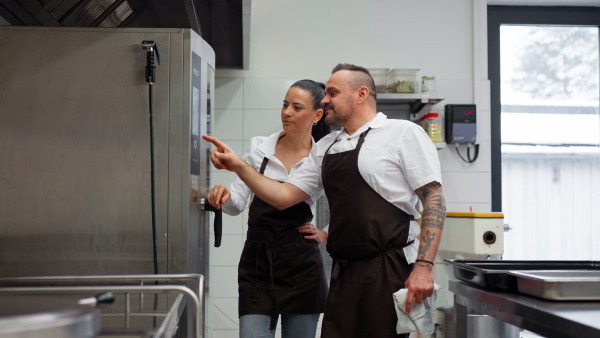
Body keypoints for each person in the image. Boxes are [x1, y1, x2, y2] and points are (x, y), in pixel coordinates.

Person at [204, 64, 446, 338]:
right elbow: (283, 197)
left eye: (332, 92)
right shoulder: (326, 147)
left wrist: (424, 267)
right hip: (344, 272)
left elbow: (434, 199)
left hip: (389, 268)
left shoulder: (402, 133)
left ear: (361, 94)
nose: (325, 99)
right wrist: (239, 166)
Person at [207, 79, 331, 338]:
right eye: (285, 105)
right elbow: (237, 203)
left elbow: (347, 202)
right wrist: (224, 195)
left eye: (297, 107)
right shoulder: (259, 148)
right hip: (257, 264)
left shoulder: (322, 157)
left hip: (301, 268)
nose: (287, 112)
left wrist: (328, 233)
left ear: (317, 115)